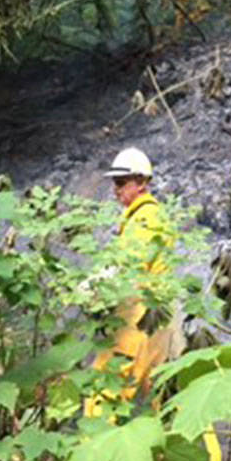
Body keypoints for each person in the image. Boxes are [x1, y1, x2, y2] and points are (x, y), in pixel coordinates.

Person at [86, 147, 177, 414]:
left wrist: (91, 286)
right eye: (115, 183)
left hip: (136, 319)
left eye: (121, 183)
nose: (116, 189)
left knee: (104, 389)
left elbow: (129, 264)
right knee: (161, 398)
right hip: (157, 320)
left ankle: (96, 450)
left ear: (141, 182)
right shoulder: (152, 216)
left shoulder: (145, 218)